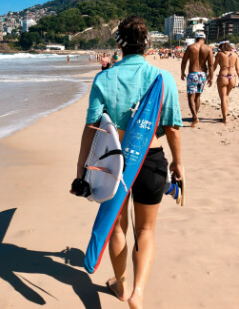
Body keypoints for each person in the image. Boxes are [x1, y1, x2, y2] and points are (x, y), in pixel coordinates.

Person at [75, 16, 183, 308]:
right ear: (147, 44)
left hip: (115, 164)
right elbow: (172, 127)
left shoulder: (104, 78)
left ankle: (119, 285)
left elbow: (92, 127)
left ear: (118, 45)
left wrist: (81, 168)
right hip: (152, 159)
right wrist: (178, 164)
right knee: (146, 231)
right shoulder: (163, 79)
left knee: (118, 226)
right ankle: (138, 292)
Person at [181, 32, 213, 127]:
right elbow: (210, 65)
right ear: (205, 38)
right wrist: (211, 77)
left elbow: (184, 61)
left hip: (193, 73)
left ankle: (194, 116)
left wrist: (182, 72)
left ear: (196, 38)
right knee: (198, 97)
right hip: (203, 74)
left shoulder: (191, 47)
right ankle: (194, 116)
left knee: (191, 97)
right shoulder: (208, 49)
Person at [213, 40, 239, 123]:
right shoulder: (235, 55)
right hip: (232, 77)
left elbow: (214, 67)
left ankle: (224, 119)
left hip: (223, 76)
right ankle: (226, 114)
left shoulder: (219, 54)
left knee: (223, 97)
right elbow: (237, 68)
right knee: (227, 95)